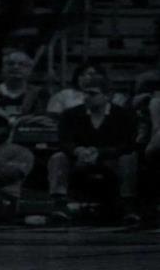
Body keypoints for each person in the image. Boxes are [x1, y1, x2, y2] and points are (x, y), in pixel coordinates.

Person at [47, 76, 139, 223]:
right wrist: (77, 151)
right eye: (84, 93)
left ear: (107, 95)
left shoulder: (123, 115)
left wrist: (100, 153)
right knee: (58, 158)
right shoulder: (70, 114)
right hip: (79, 158)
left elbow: (128, 143)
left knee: (129, 158)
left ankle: (129, 205)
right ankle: (59, 204)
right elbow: (64, 141)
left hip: (112, 159)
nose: (86, 97)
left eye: (92, 93)